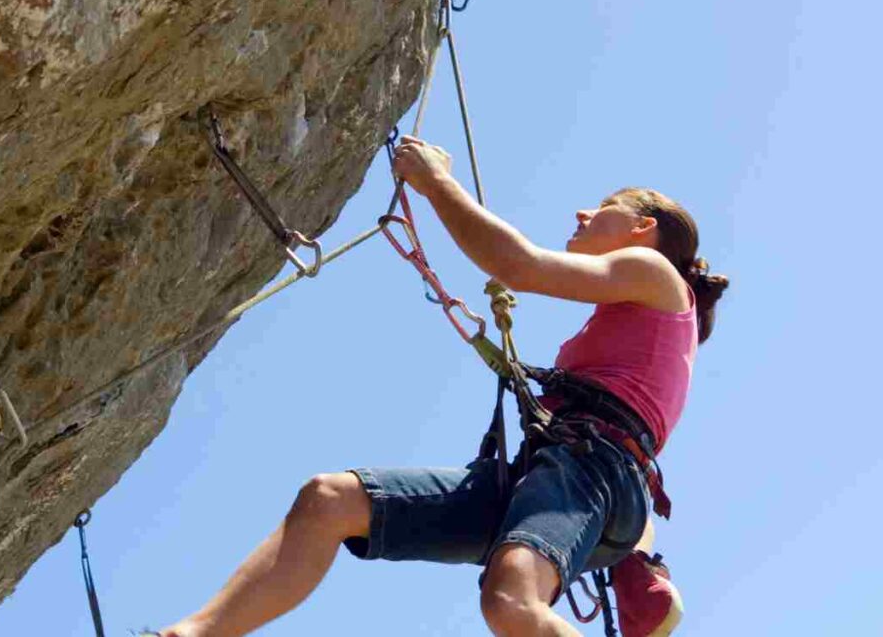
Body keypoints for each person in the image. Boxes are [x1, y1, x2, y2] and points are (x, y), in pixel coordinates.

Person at [151, 135, 729, 637]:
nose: (581, 214)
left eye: (604, 208)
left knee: (510, 599)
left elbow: (520, 266)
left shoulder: (655, 274)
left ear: (641, 228)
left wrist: (434, 181)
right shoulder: (640, 317)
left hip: (590, 470)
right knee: (327, 501)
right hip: (549, 470)